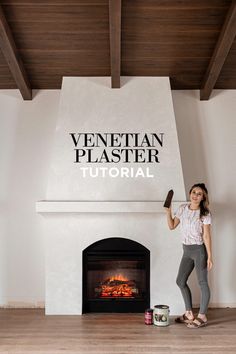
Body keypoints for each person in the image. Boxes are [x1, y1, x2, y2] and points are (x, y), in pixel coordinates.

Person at [165, 183, 213, 328]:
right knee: (180, 281)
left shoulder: (205, 213)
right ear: (190, 193)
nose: (195, 195)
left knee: (202, 283)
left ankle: (202, 316)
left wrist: (210, 256)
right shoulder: (182, 209)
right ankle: (189, 313)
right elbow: (172, 226)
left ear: (203, 196)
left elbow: (206, 236)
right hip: (186, 251)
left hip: (199, 251)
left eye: (199, 193)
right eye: (194, 192)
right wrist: (168, 211)